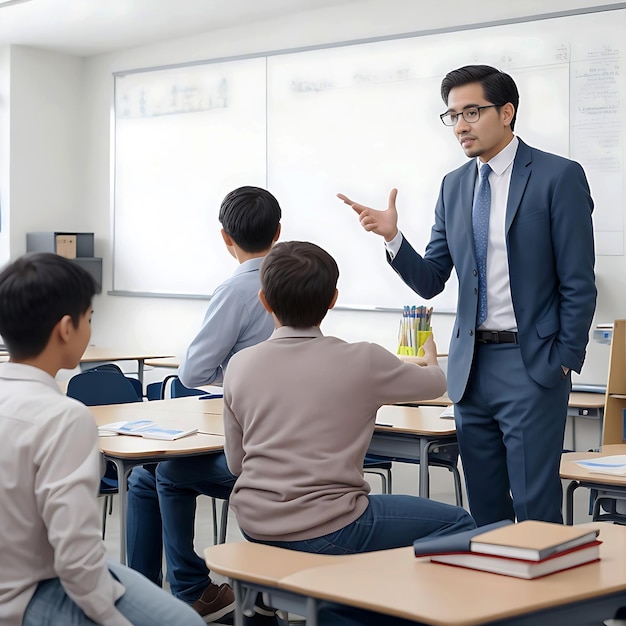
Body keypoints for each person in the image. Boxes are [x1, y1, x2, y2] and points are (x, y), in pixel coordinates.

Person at [339, 64, 596, 526]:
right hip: (470, 368)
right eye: (453, 115)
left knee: (535, 508)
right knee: (485, 508)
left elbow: (578, 282)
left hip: (532, 363)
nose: (460, 125)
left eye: (472, 112)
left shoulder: (558, 177)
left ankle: (548, 598)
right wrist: (394, 239)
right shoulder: (455, 185)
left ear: (507, 112)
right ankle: (496, 596)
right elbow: (432, 279)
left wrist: (563, 359)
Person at [223, 240, 475, 556]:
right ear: (333, 300)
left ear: (264, 300)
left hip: (254, 524)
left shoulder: (240, 364)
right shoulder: (362, 359)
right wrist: (430, 355)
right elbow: (436, 385)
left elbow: (236, 464)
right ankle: (383, 603)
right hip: (332, 525)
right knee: (459, 522)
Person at [0, 252, 205, 626]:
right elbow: (76, 555)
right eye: (89, 319)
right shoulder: (64, 417)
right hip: (32, 589)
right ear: (66, 328)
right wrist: (112, 620)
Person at [126, 186, 282, 623]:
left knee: (155, 475)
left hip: (251, 448)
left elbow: (192, 374)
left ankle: (176, 594)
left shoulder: (236, 289)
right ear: (279, 231)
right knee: (144, 479)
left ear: (225, 237)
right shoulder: (295, 280)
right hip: (280, 438)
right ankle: (175, 592)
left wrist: (232, 374)